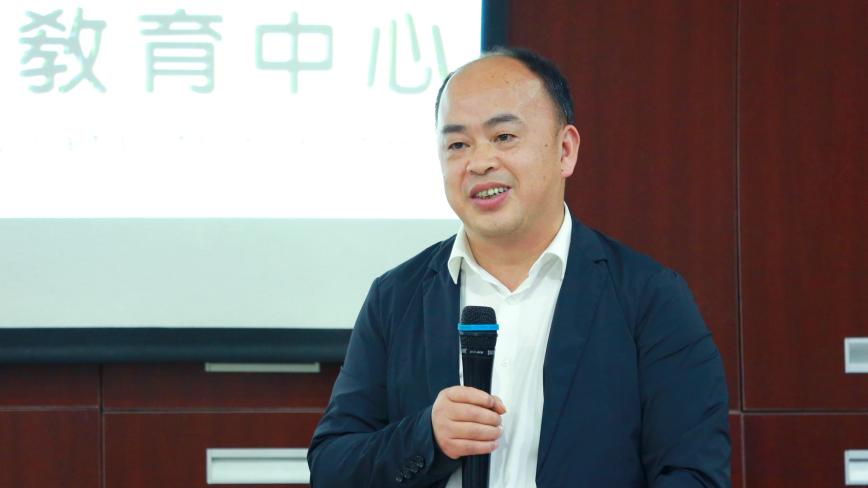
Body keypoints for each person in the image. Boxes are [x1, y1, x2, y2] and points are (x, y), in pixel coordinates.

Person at [308, 47, 730, 487]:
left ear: (565, 150)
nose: (479, 162)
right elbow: (332, 468)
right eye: (457, 144)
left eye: (504, 136)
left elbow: (695, 474)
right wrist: (426, 436)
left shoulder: (648, 297)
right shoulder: (396, 298)